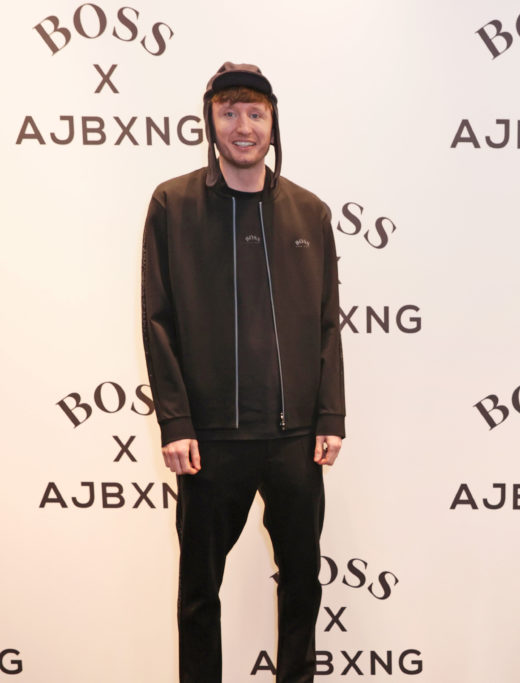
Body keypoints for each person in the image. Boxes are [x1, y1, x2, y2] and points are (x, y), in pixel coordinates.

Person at [141, 62, 345, 683]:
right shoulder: (173, 204)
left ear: (273, 123)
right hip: (208, 441)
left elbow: (328, 323)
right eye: (229, 112)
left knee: (303, 585)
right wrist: (176, 422)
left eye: (255, 113)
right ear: (210, 122)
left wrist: (330, 414)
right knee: (199, 593)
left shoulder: (310, 212)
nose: (243, 126)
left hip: (294, 440)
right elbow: (157, 319)